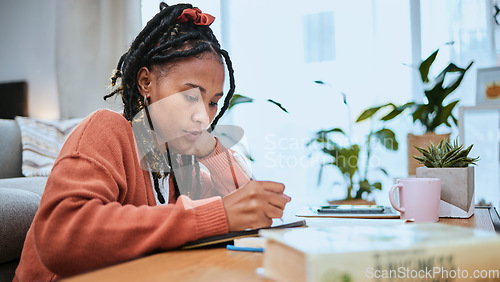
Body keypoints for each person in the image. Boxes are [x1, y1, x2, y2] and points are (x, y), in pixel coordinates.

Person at [14, 3, 290, 281]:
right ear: (146, 82)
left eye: (213, 103)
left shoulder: (177, 160)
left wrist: (212, 149)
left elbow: (247, 206)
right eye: (191, 96)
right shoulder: (106, 130)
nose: (203, 116)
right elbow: (61, 237)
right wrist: (212, 216)